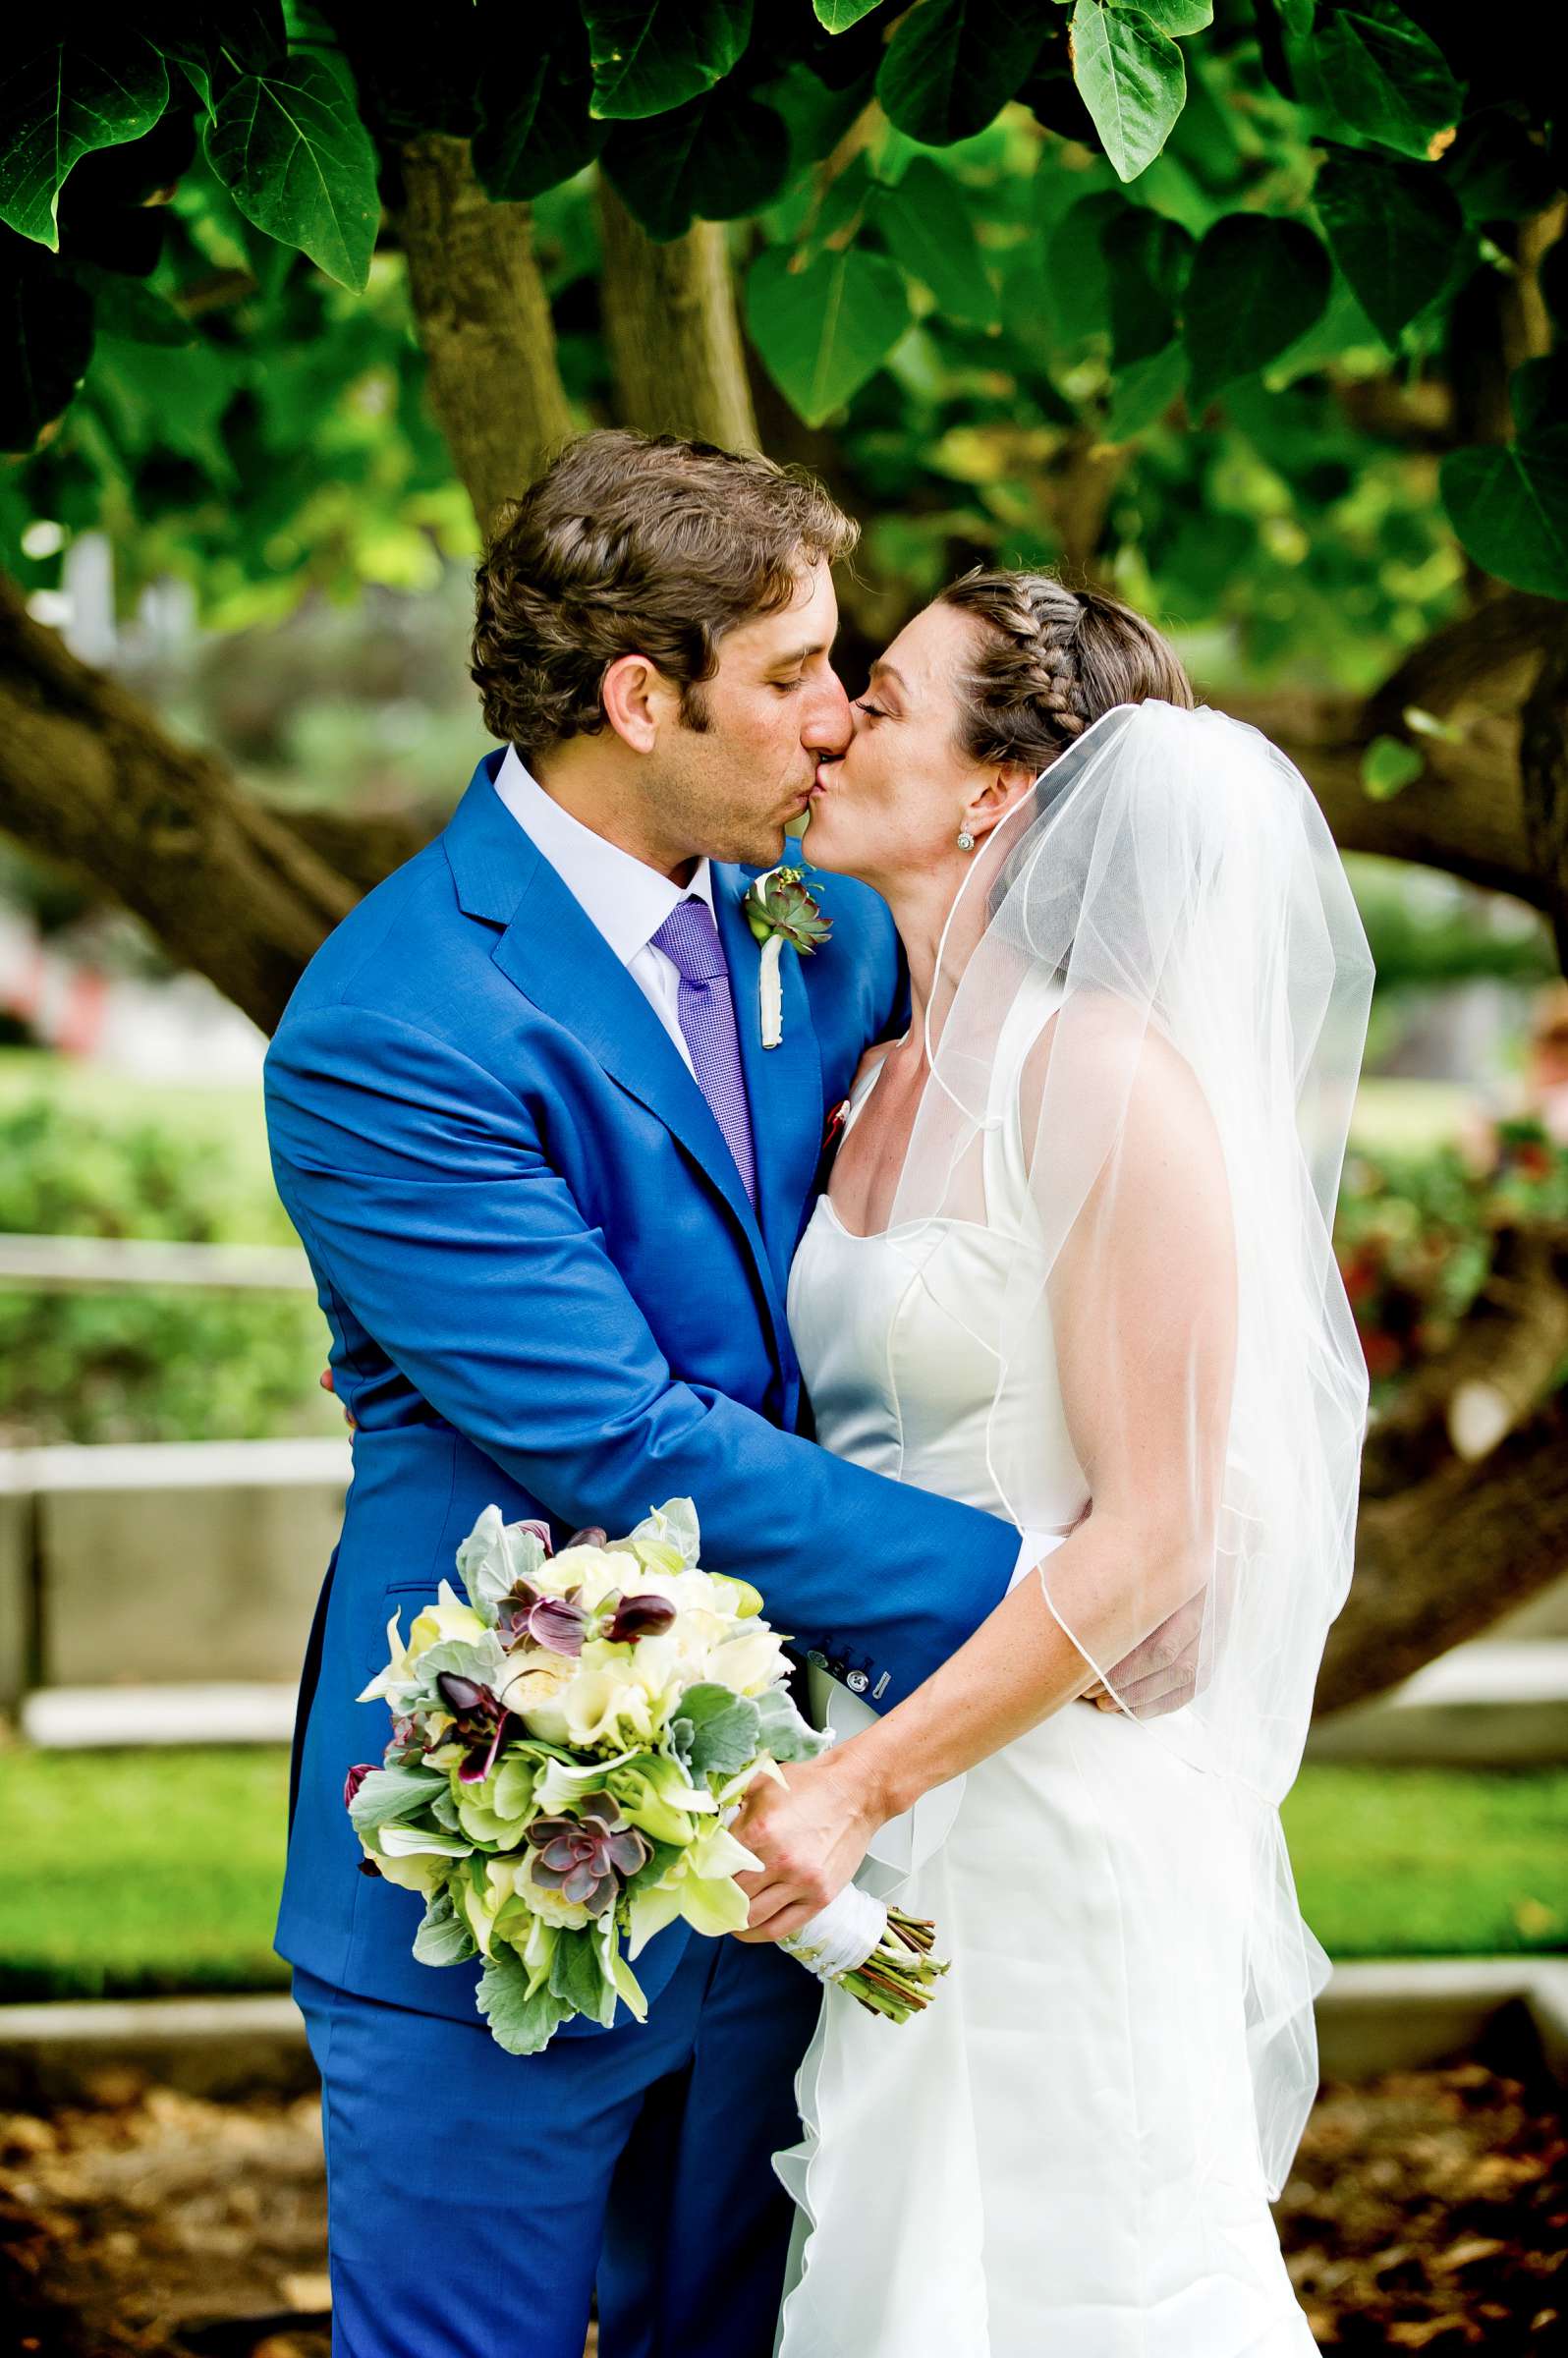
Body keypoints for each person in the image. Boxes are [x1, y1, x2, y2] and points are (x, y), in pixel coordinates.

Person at [264, 438, 1184, 2358]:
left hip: (796, 1856)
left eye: (851, 673)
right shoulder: (395, 1021)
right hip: (503, 1834)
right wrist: (1060, 1597)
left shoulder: (825, 929)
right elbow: (620, 1439)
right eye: (794, 676)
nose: (839, 723)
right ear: (638, 698)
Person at [733, 571, 1374, 2356]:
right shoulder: (874, 1074)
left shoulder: (1103, 1084)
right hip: (885, 1809)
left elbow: (1158, 1538)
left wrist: (863, 1784)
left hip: (1045, 1814)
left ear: (994, 792)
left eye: (880, 692)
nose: (834, 721)